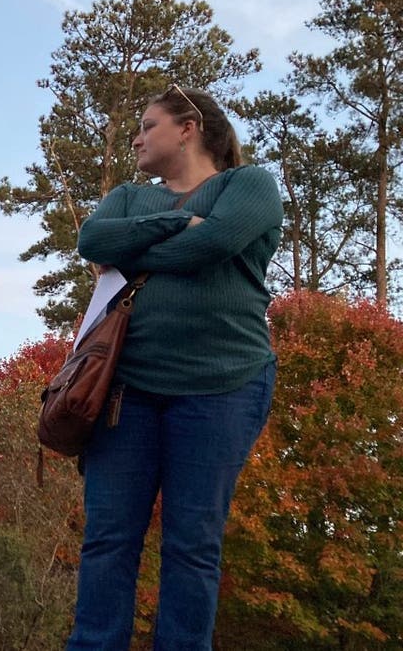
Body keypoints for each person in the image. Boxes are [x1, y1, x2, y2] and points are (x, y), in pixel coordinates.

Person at [68, 85, 283, 649]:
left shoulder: (249, 185)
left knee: (192, 546)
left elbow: (209, 249)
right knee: (108, 540)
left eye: (148, 124)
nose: (137, 136)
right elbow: (91, 238)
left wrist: (133, 248)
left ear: (187, 128)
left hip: (224, 388)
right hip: (124, 392)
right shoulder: (128, 196)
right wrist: (173, 225)